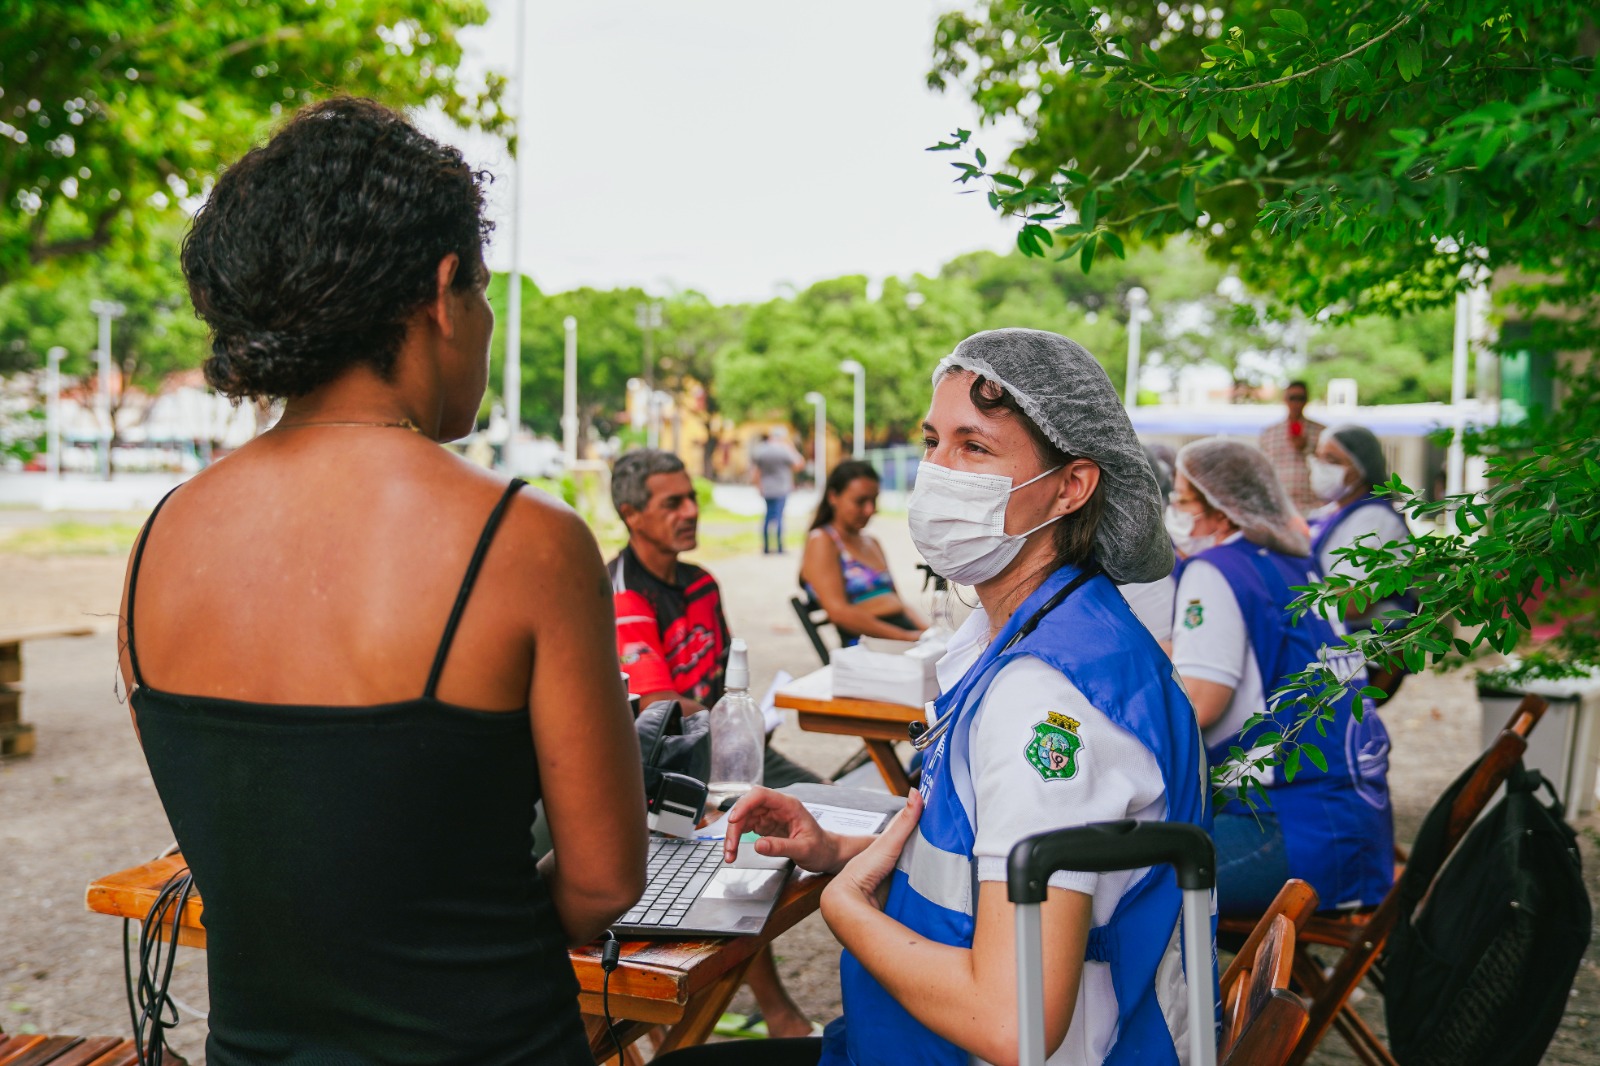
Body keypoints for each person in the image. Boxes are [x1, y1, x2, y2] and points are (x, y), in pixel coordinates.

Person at [119, 98, 646, 1064]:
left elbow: (263, 845)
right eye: (484, 293)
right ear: (443, 291)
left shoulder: (163, 538)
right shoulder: (525, 539)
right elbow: (605, 881)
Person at [658, 328, 1210, 1066]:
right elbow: (1003, 856)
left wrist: (845, 907)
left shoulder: (1043, 698)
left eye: (974, 448)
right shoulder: (1051, 628)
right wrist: (842, 850)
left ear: (1072, 486)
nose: (937, 473)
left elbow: (1013, 1022)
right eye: (932, 442)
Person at [607, 447, 821, 1039]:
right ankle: (767, 1017)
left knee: (831, 813)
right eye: (671, 502)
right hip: (675, 767)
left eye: (691, 497)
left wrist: (748, 716)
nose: (690, 511)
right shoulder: (623, 593)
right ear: (631, 514)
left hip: (735, 745)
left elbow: (728, 678)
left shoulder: (701, 582)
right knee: (743, 861)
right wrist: (737, 718)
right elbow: (660, 709)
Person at [1165, 438, 1394, 918]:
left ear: (1222, 510)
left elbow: (1201, 704)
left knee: (1120, 886)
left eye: (1182, 500)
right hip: (1355, 830)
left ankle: (1193, 997)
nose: (1175, 512)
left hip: (1291, 835)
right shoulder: (1292, 562)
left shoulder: (1215, 569)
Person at [1308, 424, 1416, 697]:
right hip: (1329, 644)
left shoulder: (1376, 521)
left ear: (1360, 467)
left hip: (1363, 654)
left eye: (1332, 460)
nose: (1321, 467)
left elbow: (1353, 602)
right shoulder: (1328, 514)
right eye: (1319, 457)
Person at [799, 459, 928, 642]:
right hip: (869, 643)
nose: (870, 510)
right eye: (860, 501)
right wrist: (907, 637)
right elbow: (839, 613)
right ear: (833, 497)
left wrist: (928, 632)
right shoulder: (823, 541)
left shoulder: (871, 542)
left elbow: (899, 602)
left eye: (874, 500)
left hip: (902, 634)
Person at [1259, 379, 1325, 515]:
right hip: (1280, 506)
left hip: (1312, 506)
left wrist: (1308, 448)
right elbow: (1262, 470)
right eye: (1292, 398)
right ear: (1285, 400)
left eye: (1300, 398)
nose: (1296, 403)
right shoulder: (1269, 433)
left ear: (1307, 400)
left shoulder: (1321, 432)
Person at [751, 426, 804, 553]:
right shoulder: (784, 450)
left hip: (767, 488)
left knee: (768, 517)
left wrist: (758, 486)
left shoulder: (762, 450)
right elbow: (799, 464)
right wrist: (791, 447)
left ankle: (766, 547)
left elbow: (757, 471)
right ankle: (780, 548)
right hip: (782, 488)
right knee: (779, 517)